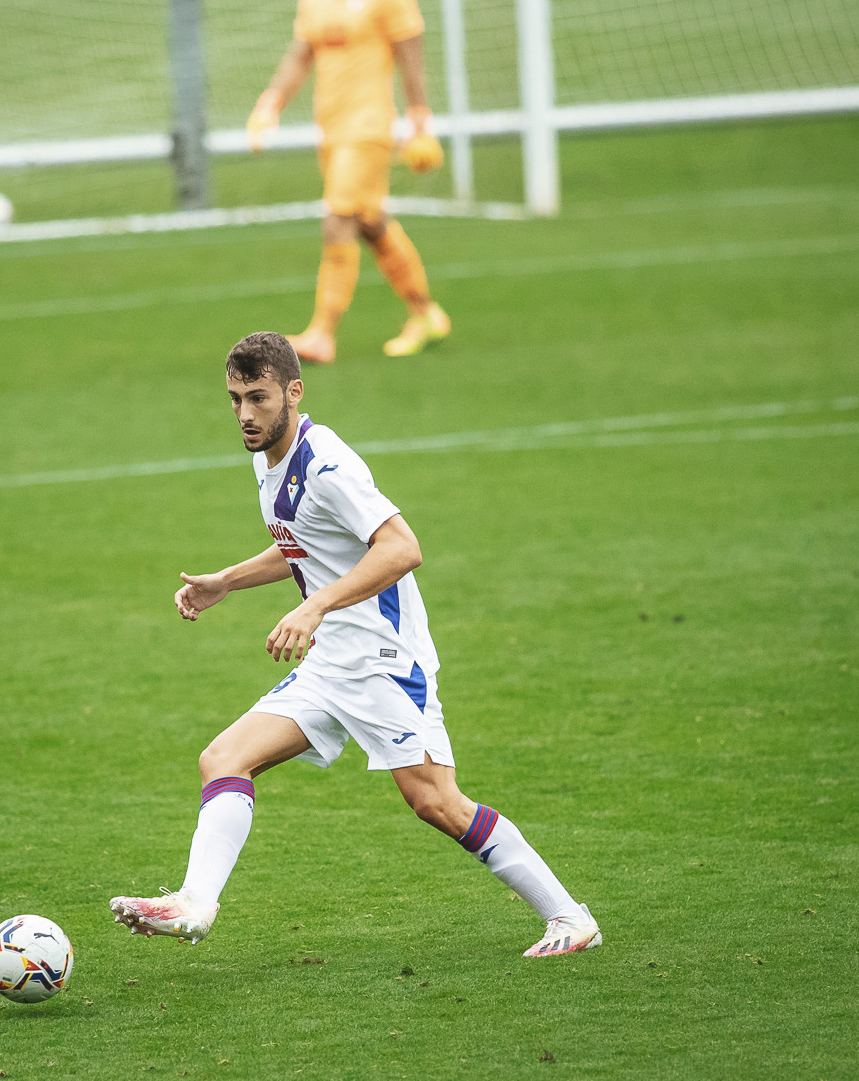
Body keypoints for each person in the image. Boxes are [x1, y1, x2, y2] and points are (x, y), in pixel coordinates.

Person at [110, 332, 602, 958]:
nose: (245, 415)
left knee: (435, 803)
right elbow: (303, 543)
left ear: (294, 392)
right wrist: (225, 582)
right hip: (332, 659)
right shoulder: (267, 456)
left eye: (258, 398)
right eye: (234, 399)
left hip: (383, 660)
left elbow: (402, 548)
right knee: (224, 758)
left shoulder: (328, 465)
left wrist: (314, 604)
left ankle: (569, 918)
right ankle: (195, 905)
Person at [245, 0, 452, 363]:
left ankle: (322, 332)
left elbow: (411, 60)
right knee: (369, 223)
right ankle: (425, 313)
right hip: (332, 131)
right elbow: (301, 56)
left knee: (337, 218)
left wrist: (420, 123)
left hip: (369, 127)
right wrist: (269, 104)